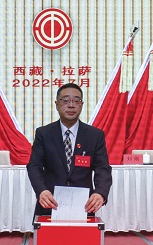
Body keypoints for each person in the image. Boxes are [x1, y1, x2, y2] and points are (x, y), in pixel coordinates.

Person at [27, 82, 112, 216]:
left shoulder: (95, 135)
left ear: (82, 105)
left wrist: (100, 192)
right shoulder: (44, 133)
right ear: (57, 104)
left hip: (84, 207)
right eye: (65, 101)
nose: (71, 105)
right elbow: (34, 166)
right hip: (50, 204)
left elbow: (103, 168)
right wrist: (41, 190)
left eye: (76, 101)